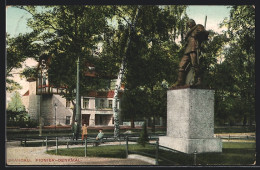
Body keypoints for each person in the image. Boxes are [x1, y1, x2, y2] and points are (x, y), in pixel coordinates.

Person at [172, 19, 209, 87]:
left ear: (193, 23)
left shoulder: (198, 26)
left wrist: (200, 33)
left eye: (189, 23)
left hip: (194, 48)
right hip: (187, 50)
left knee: (195, 64)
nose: (188, 25)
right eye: (187, 24)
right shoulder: (189, 32)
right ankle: (180, 82)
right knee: (181, 65)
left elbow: (205, 33)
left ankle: (199, 80)